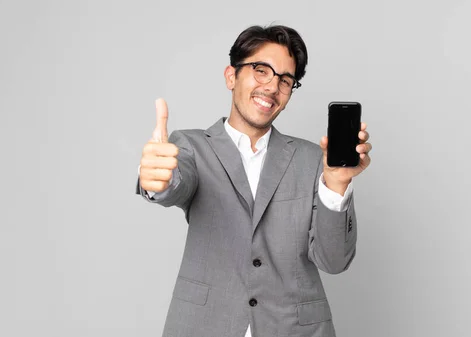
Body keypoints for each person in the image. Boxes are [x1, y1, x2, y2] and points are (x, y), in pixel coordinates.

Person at [136, 24, 372, 337]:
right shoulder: (191, 146)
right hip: (205, 325)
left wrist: (337, 185)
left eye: (285, 80)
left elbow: (334, 261)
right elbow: (177, 180)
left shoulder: (314, 159)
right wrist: (158, 182)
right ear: (231, 76)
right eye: (261, 70)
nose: (272, 87)